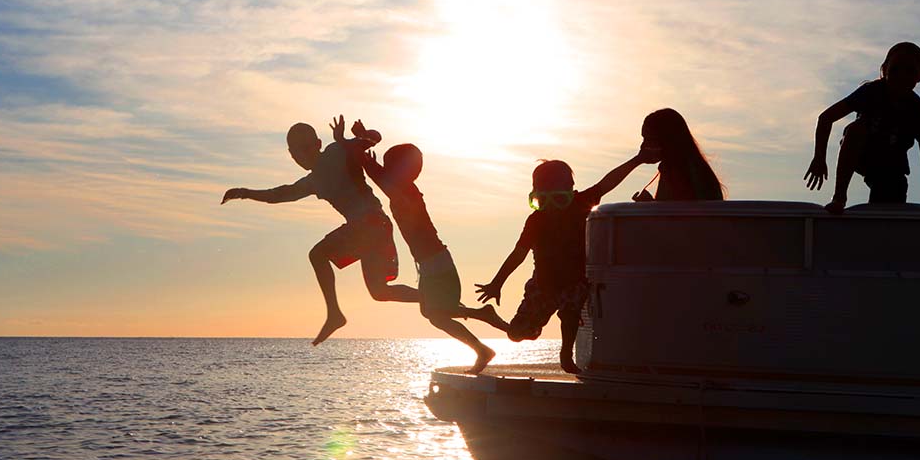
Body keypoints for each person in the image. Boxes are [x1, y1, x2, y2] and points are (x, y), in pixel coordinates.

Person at [221, 117, 418, 345]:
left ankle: (334, 314)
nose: (302, 156)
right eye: (296, 153)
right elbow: (279, 195)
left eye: (306, 148)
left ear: (318, 143)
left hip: (371, 224)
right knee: (379, 292)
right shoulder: (313, 181)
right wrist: (244, 192)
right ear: (292, 155)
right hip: (372, 228)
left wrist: (350, 138)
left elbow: (375, 137)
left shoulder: (336, 152)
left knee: (317, 254)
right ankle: (433, 299)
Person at [475, 148, 662, 373]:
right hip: (542, 285)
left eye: (560, 198)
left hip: (574, 281)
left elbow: (608, 182)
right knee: (516, 334)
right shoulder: (535, 220)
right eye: (543, 199)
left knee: (570, 313)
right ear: (535, 194)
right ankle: (520, 325)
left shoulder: (580, 203)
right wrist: (497, 283)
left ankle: (566, 355)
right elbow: (518, 254)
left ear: (571, 191)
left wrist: (637, 160)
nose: (552, 208)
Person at [347, 120, 510, 374]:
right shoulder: (404, 188)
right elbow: (377, 172)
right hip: (432, 263)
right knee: (434, 311)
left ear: (400, 171)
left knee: (436, 314)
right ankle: (481, 318)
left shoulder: (405, 191)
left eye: (391, 166)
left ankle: (482, 347)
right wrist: (364, 142)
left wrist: (364, 148)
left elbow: (377, 174)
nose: (386, 171)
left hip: (436, 263)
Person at [804, 42, 920, 214]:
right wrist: (819, 158)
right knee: (856, 129)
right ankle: (839, 198)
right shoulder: (870, 92)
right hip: (863, 154)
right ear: (884, 69)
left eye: (910, 70)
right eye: (896, 69)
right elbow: (826, 118)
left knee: (888, 207)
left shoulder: (918, 110)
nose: (902, 75)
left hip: (892, 167)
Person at [635, 108, 725, 201]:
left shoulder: (675, 169)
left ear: (666, 140)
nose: (643, 145)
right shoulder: (696, 167)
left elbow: (671, 211)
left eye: (649, 139)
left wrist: (647, 207)